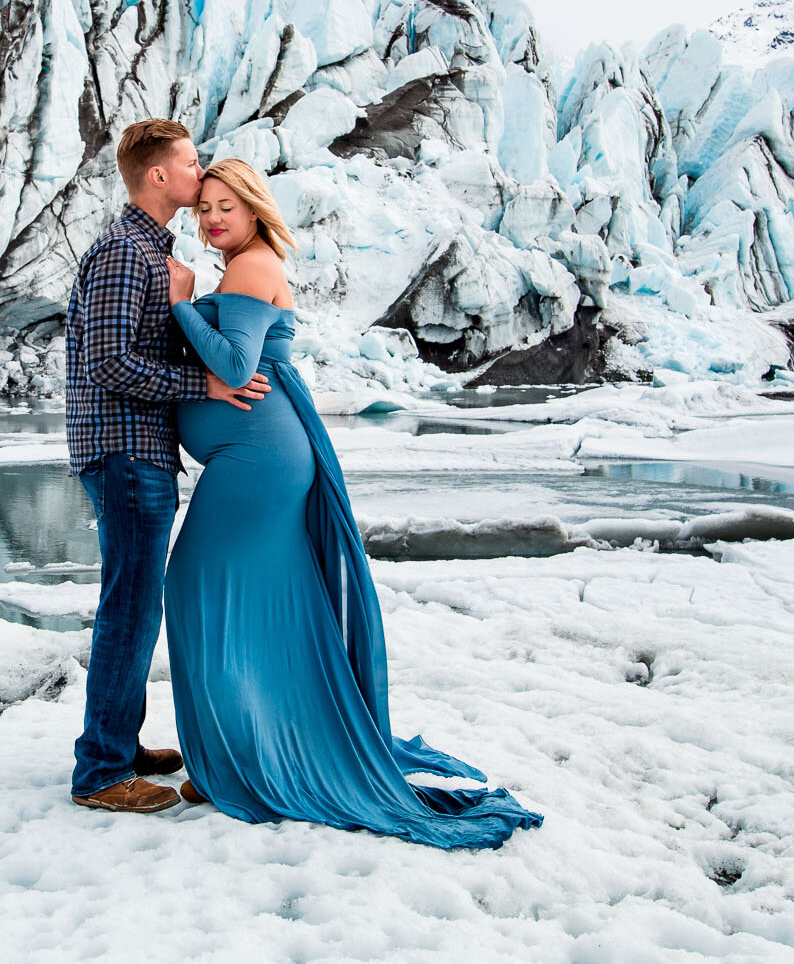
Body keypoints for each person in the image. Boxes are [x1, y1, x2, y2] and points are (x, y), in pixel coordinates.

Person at [163, 158, 543, 848]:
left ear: (253, 207)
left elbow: (238, 367)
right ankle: (245, 752)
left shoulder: (248, 267)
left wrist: (179, 303)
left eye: (226, 205)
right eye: (205, 207)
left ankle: (238, 760)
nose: (213, 217)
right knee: (262, 608)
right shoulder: (247, 260)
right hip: (260, 457)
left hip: (257, 461)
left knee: (196, 586)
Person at [65, 120, 271, 813]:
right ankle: (99, 771)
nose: (197, 170)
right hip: (125, 451)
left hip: (139, 451)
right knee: (128, 606)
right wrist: (206, 387)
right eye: (189, 161)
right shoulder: (127, 253)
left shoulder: (152, 253)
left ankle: (118, 743)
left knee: (134, 601)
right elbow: (109, 361)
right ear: (159, 175)